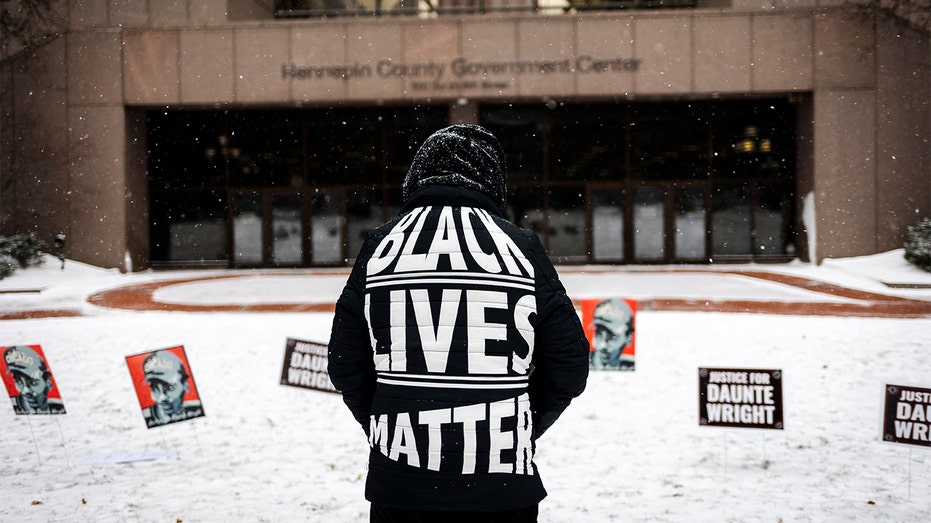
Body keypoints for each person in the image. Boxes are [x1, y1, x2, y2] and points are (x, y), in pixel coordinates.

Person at [328, 124, 590, 522]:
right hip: (501, 488)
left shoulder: (379, 247)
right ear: (493, 182)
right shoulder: (520, 248)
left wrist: (388, 427)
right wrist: (519, 428)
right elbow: (569, 367)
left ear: (416, 177)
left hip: (401, 487)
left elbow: (346, 364)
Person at [140, 349, 203, 427]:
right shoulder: (143, 419)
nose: (161, 398)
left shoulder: (197, 409)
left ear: (185, 385)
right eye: (155, 389)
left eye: (169, 388)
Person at [4, 345, 66, 415]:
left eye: (33, 382)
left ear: (48, 382)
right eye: (19, 381)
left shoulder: (59, 407)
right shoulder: (9, 409)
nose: (25, 391)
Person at [589, 298, 635, 370]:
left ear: (629, 338)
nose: (602, 345)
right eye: (599, 333)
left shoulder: (630, 365)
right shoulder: (578, 363)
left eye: (612, 337)